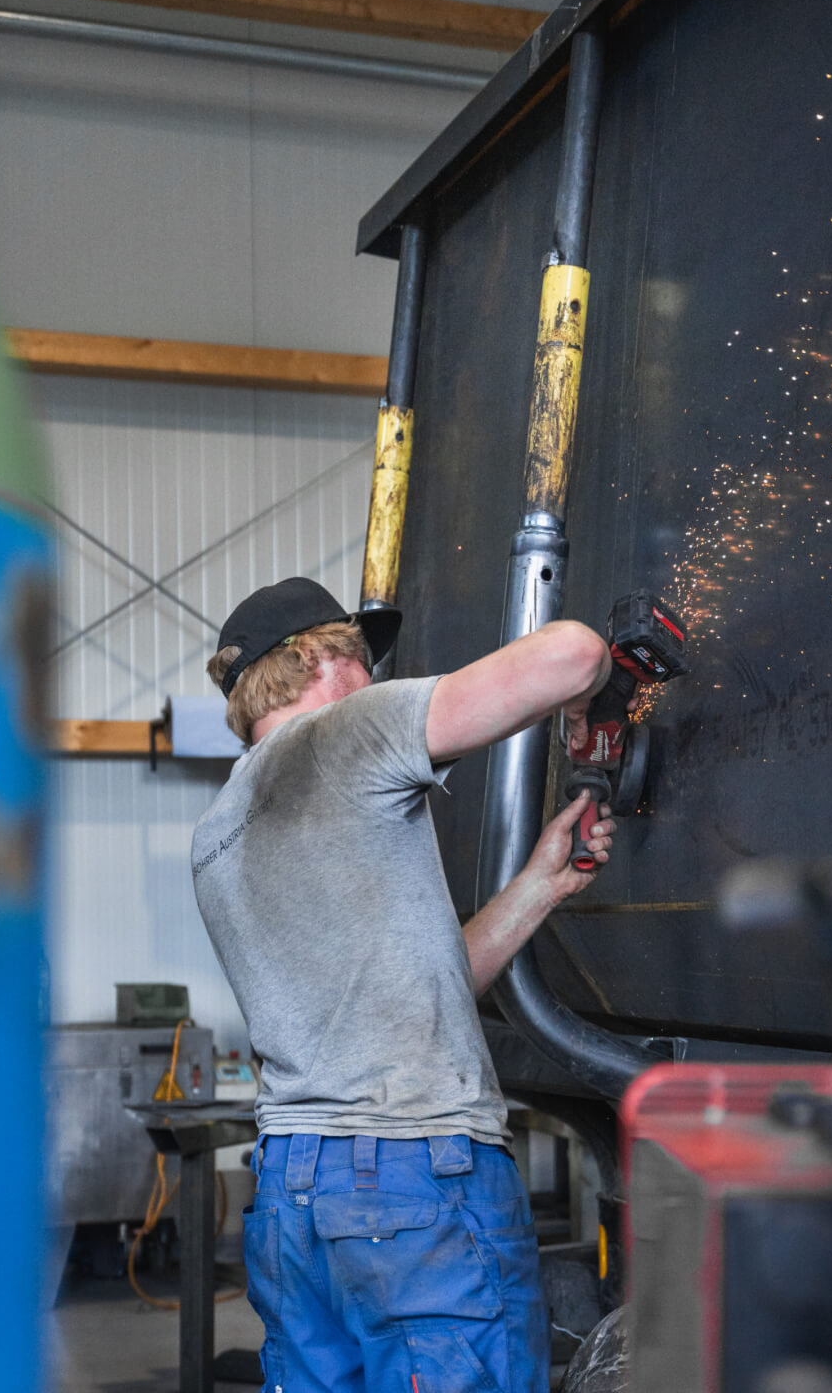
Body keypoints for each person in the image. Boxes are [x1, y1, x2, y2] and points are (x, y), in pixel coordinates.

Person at [191, 576, 630, 1393]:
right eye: (363, 658)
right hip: (410, 1180)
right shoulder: (343, 734)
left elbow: (421, 989)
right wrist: (581, 705)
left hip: (292, 1193)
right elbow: (572, 653)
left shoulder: (220, 827)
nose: (373, 678)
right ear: (318, 658)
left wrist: (540, 885)